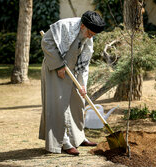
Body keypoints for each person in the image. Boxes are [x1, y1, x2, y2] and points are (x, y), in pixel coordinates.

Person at [38, 11, 105, 156]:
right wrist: (59, 66)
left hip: (73, 71)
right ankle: (64, 142)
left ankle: (78, 138)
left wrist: (83, 85)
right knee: (59, 106)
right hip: (55, 70)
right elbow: (46, 42)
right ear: (82, 26)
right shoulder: (64, 26)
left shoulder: (87, 37)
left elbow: (84, 63)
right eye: (90, 33)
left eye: (93, 35)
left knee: (78, 102)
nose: (90, 37)